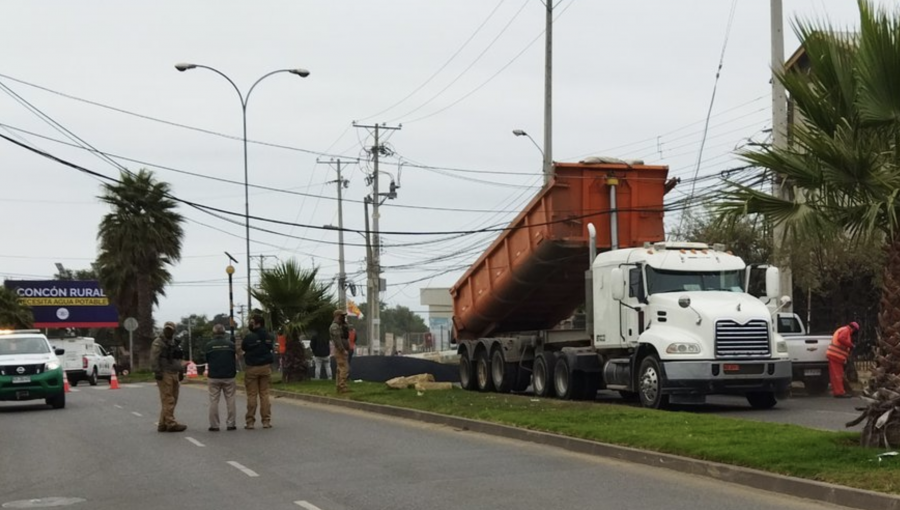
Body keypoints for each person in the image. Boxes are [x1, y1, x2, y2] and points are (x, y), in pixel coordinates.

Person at [150, 321, 187, 432]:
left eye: (170, 329)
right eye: (166, 329)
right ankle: (170, 423)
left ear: (174, 330)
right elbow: (154, 358)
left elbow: (178, 359)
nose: (168, 331)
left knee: (172, 399)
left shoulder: (174, 342)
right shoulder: (159, 342)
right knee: (168, 399)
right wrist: (157, 372)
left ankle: (162, 423)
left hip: (174, 372)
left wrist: (181, 371)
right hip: (165, 373)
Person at [241, 314, 273, 429]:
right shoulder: (269, 336)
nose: (250, 324)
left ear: (258, 323)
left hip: (252, 368)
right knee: (264, 394)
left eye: (252, 322)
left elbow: (244, 347)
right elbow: (270, 347)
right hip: (265, 367)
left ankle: (250, 421)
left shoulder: (250, 337)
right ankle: (266, 421)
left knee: (252, 395)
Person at [205, 324, 237, 432]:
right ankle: (231, 424)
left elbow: (207, 359)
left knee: (213, 401)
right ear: (224, 333)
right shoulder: (231, 345)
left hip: (214, 376)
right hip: (229, 376)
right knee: (230, 400)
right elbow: (236, 357)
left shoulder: (209, 345)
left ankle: (214, 425)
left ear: (213, 333)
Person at [827, 321, 859, 398]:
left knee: (835, 375)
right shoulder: (846, 330)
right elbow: (841, 339)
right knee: (838, 375)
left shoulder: (843, 329)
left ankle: (838, 391)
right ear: (853, 329)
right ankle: (839, 392)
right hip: (836, 356)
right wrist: (851, 345)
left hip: (835, 356)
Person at [329, 309, 351, 393]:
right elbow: (337, 339)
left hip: (341, 349)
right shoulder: (334, 326)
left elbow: (346, 335)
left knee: (340, 368)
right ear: (337, 316)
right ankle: (342, 386)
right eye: (342, 316)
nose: (343, 317)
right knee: (344, 368)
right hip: (340, 350)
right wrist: (342, 349)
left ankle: (340, 386)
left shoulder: (340, 325)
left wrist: (345, 325)